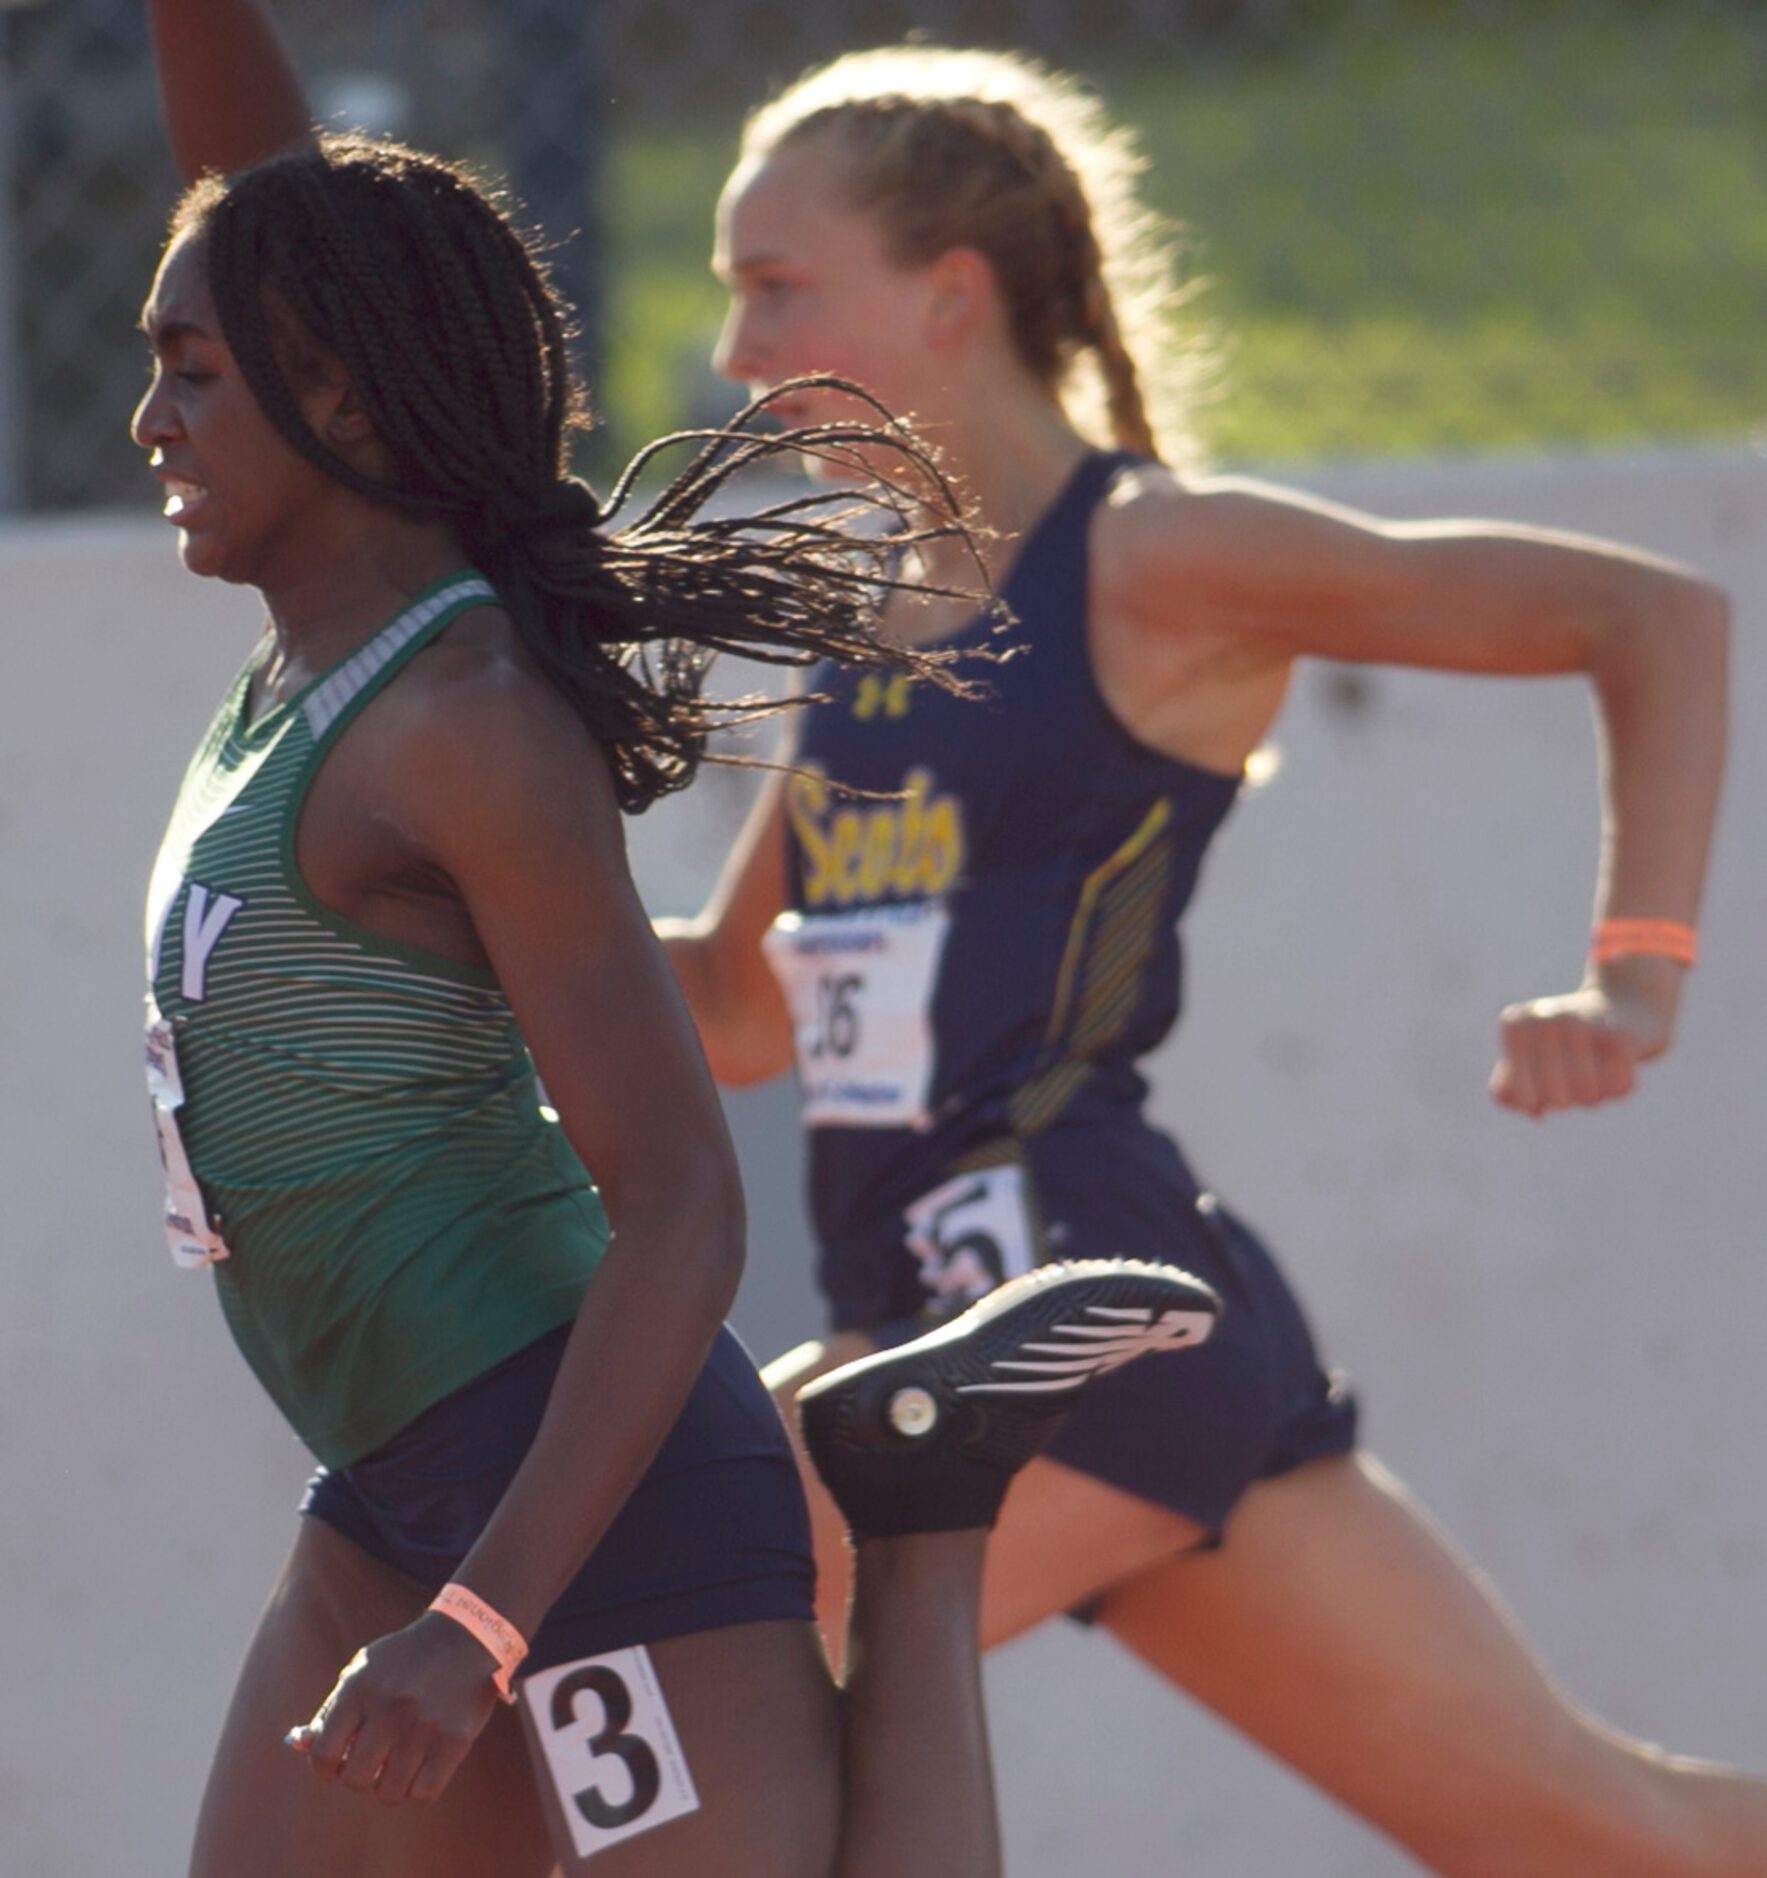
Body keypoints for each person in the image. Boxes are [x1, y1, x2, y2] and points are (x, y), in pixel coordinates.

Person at [656, 43, 1767, 1878]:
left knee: (672, 1738)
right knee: (1594, 1836)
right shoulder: (858, 618)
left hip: (1075, 1323)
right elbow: (746, 1006)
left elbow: (1651, 615)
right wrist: (460, 926)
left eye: (776, 285)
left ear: (952, 299)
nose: (734, 349)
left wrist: (1634, 974)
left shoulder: (1151, 561)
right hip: (966, 1331)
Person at [135, 10, 1225, 1875]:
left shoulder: (459, 717)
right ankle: (898, 1467)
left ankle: (921, 1506)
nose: (148, 421)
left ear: (347, 401)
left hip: (589, 1494)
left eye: (193, 375)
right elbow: (276, 204)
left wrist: (479, 1630)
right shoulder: (313, 635)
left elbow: (688, 1209)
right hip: (405, 1488)